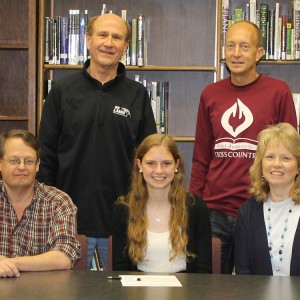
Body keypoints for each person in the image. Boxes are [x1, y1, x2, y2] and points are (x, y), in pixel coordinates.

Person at [37, 13, 156, 270]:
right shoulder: (61, 92)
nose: (108, 43)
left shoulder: (137, 95)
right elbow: (45, 156)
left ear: (125, 47)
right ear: (88, 40)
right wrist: (48, 213)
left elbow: (149, 158)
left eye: (117, 37)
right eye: (102, 35)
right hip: (67, 223)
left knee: (118, 294)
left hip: (122, 221)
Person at [189, 20, 297, 274]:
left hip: (261, 206)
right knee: (212, 286)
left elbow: (291, 152)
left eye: (244, 46)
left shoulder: (278, 92)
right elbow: (201, 156)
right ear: (223, 51)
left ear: (259, 53)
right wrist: (194, 204)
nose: (236, 53)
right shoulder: (210, 94)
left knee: (256, 283)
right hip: (214, 209)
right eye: (231, 46)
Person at [112, 134, 212, 273]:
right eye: (151, 163)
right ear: (140, 165)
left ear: (176, 165)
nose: (159, 170)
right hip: (137, 293)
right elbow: (120, 271)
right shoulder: (123, 210)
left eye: (166, 163)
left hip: (187, 292)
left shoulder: (196, 208)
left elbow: (203, 272)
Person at [0, 130, 80, 278]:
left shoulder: (59, 202)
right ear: (0, 164)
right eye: (14, 161)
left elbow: (64, 257)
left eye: (29, 161)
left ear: (37, 166)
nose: (22, 167)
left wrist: (9, 263)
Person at [235, 123, 300, 276]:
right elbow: (243, 273)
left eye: (286, 158)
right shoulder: (247, 212)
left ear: (298, 167)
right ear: (261, 164)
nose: (277, 164)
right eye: (270, 157)